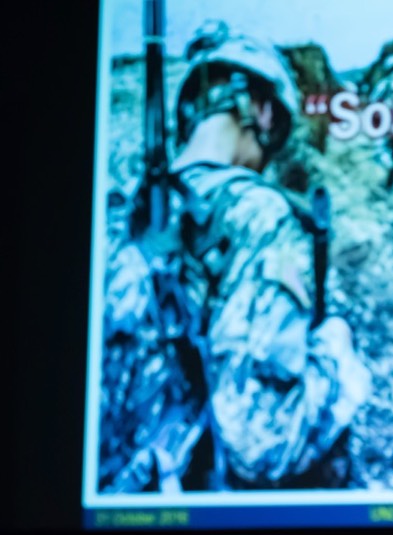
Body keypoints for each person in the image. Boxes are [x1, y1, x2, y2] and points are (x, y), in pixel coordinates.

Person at [99, 20, 370, 493]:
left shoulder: (116, 216)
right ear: (260, 111)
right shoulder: (258, 212)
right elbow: (262, 444)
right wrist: (336, 354)